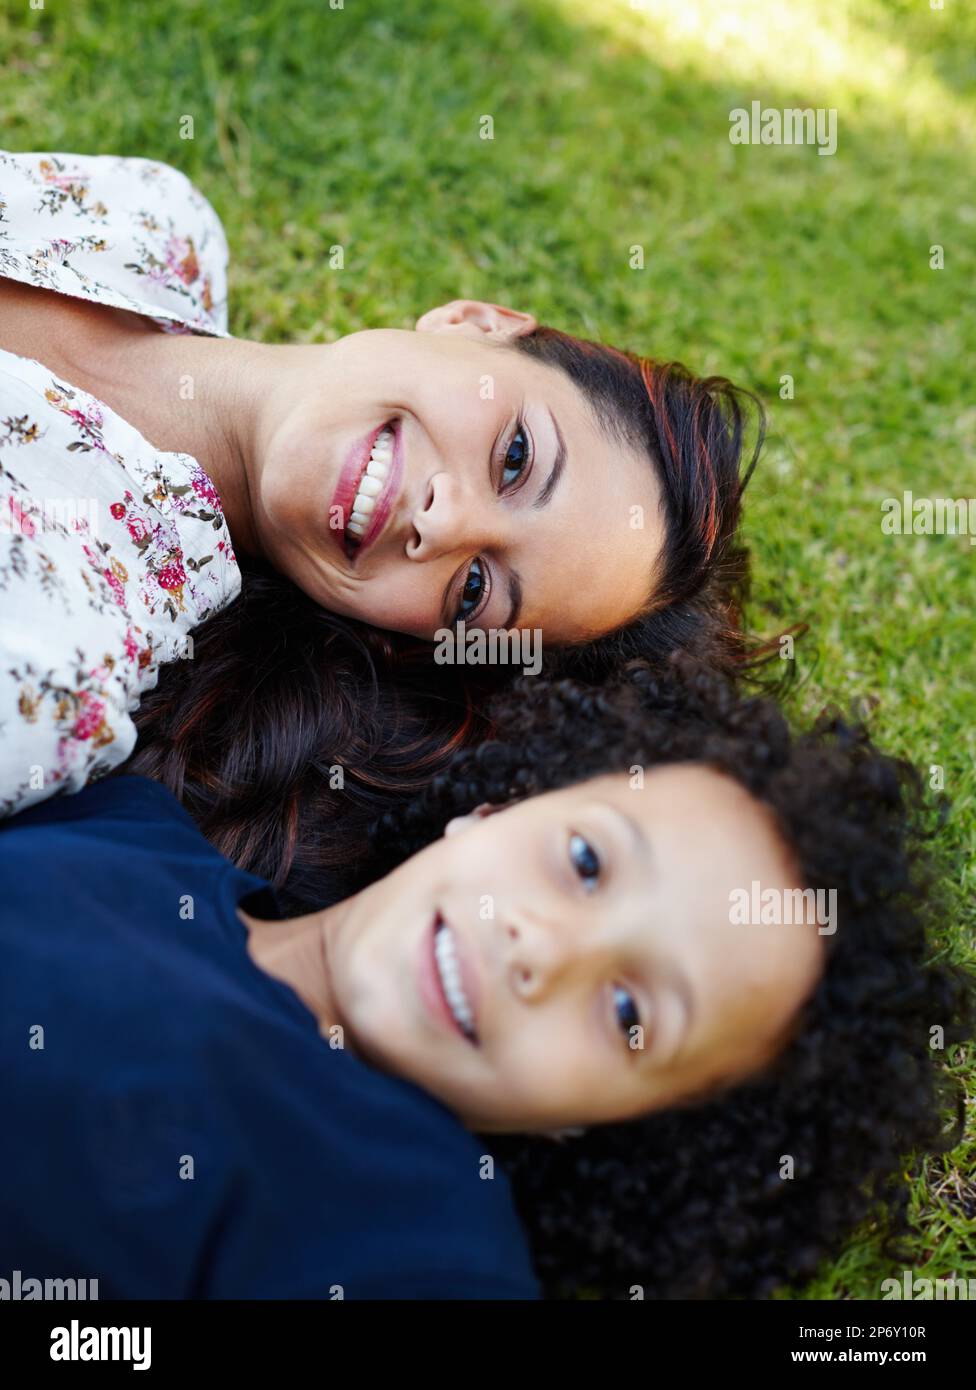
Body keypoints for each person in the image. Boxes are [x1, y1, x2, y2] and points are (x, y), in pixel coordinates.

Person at [2, 659, 970, 1298]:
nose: (543, 951)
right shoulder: (124, 822)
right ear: (498, 808)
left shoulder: (418, 1246)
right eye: (586, 864)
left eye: (629, 1013)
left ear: (595, 1125)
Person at [0, 148, 760, 815]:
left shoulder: (55, 674)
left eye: (473, 593)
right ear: (478, 322)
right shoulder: (155, 218)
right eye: (516, 458)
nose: (444, 525)